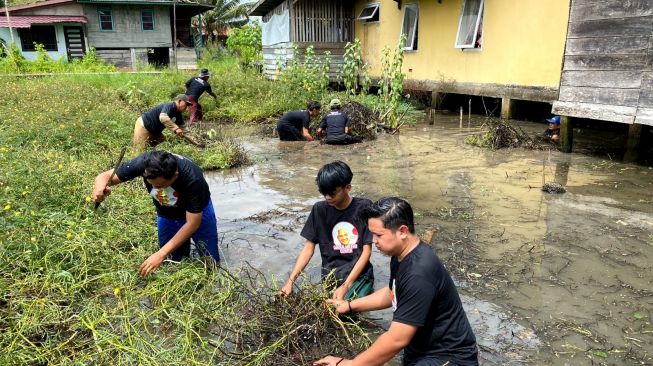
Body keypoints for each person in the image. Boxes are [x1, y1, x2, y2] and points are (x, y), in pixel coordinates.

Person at [315, 197, 478, 366]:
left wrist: (347, 364)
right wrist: (349, 305)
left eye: (379, 235)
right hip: (421, 351)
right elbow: (393, 293)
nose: (374, 241)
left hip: (449, 359)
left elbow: (396, 340)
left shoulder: (419, 273)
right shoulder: (400, 255)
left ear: (402, 231)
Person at [92, 151, 220, 276]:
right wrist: (99, 188)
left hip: (199, 215)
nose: (157, 189)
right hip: (167, 215)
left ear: (175, 175)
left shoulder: (193, 178)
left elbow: (192, 224)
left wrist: (160, 254)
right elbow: (104, 177)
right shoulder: (145, 163)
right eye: (153, 185)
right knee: (173, 263)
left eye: (161, 186)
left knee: (211, 262)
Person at [280, 161, 374, 300]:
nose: (328, 197)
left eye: (332, 193)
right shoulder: (319, 210)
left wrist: (347, 285)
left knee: (346, 309)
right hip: (331, 277)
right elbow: (308, 249)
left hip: (359, 277)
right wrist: (290, 282)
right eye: (324, 193)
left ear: (348, 187)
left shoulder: (364, 208)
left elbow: (367, 251)